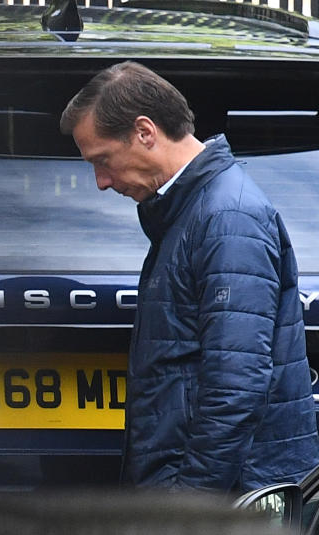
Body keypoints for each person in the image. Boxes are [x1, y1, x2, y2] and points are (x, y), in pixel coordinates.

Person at [60, 61, 319, 492]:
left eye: (102, 160)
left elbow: (235, 387)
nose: (101, 181)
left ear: (145, 132)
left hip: (226, 508)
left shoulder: (228, 218)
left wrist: (190, 506)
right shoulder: (191, 211)